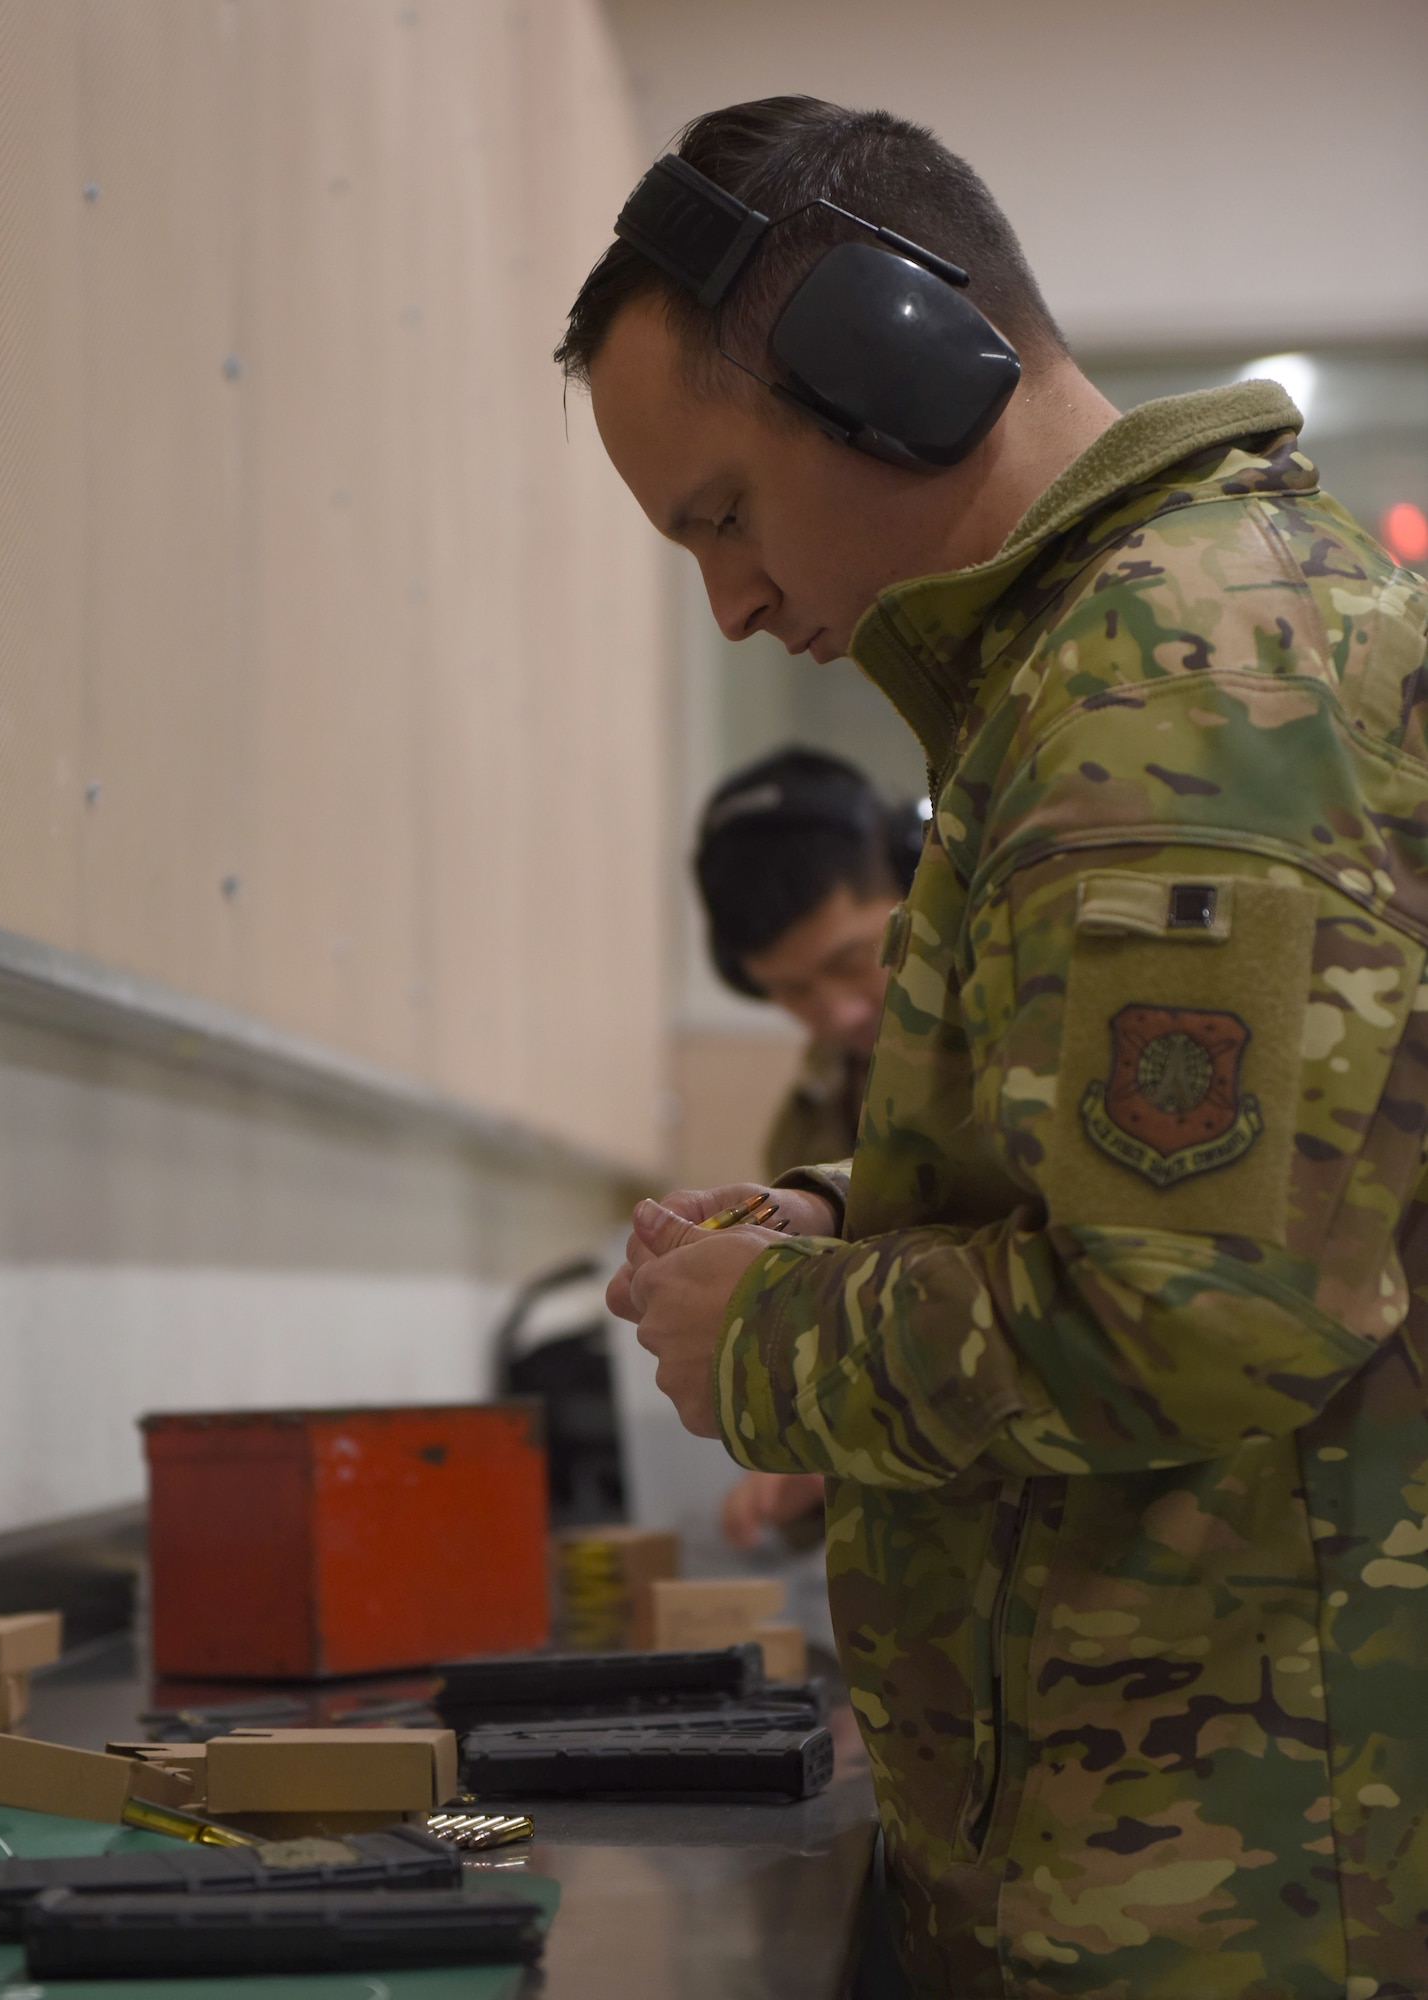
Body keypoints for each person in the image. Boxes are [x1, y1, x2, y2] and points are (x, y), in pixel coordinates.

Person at [561, 94, 1428, 1996]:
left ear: (900, 362)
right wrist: (837, 1211)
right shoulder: (1095, 672)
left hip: (1236, 1894)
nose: (734, 598)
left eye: (722, 513)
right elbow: (1193, 1176)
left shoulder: (1174, 689)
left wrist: (769, 1343)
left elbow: (1195, 1310)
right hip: (1190, 1845)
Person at [695, 747, 918, 1552]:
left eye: (852, 961)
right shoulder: (815, 1103)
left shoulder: (1002, 1049)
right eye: (790, 990)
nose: (836, 1013)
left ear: (916, 887)